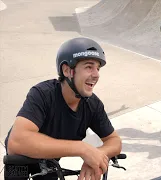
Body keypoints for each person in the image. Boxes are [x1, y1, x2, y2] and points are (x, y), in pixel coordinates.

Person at [4, 37, 122, 180]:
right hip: (21, 157)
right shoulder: (42, 94)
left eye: (97, 68)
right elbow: (17, 142)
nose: (96, 74)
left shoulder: (93, 105)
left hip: (50, 160)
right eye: (89, 67)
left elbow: (114, 140)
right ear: (67, 70)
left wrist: (97, 156)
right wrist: (82, 148)